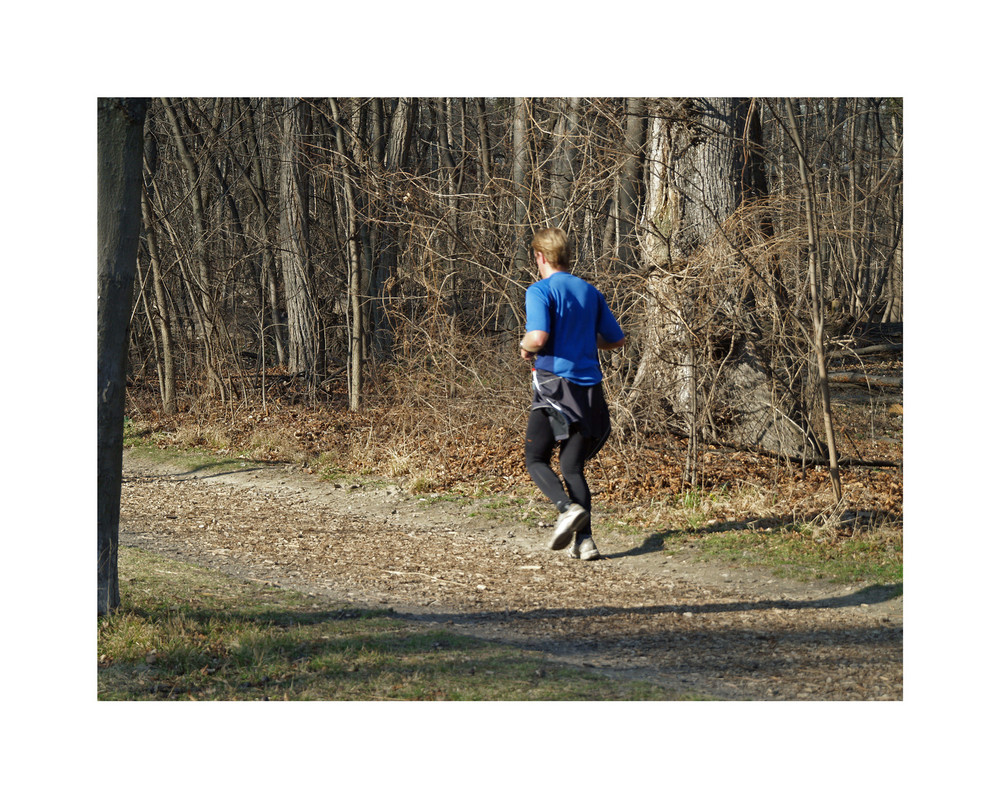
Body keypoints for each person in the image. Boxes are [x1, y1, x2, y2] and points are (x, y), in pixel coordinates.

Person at [519, 227, 626, 561]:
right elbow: (615, 339)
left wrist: (524, 346)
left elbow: (537, 336)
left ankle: (566, 509)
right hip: (590, 394)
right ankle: (586, 542)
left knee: (535, 458)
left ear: (540, 256)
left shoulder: (540, 290)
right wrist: (580, 339)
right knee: (571, 465)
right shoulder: (590, 292)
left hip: (555, 391)